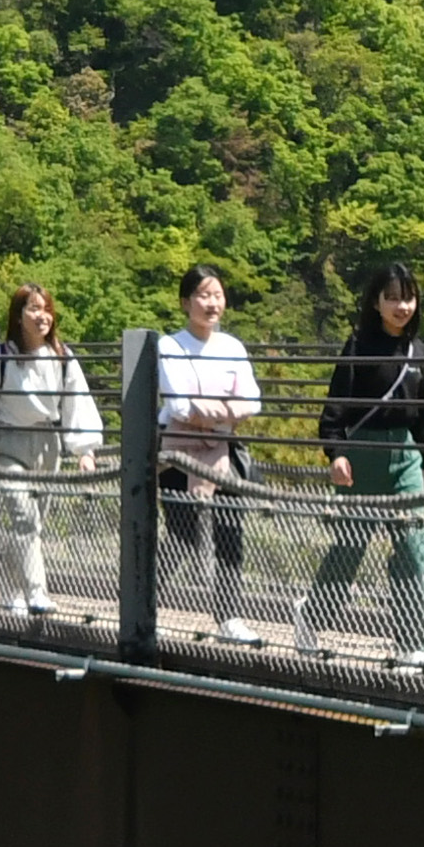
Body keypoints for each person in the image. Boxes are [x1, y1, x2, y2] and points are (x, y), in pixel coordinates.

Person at [298, 263, 424, 667]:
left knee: (415, 546)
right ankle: (312, 617)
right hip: (362, 455)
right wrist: (336, 451)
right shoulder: (359, 345)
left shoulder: (418, 351)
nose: (401, 306)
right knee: (350, 548)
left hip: (405, 457)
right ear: (375, 302)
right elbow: (336, 405)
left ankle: (414, 643)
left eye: (407, 297)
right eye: (391, 297)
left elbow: (423, 413)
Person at [0, 283, 99, 616]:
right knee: (23, 516)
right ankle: (37, 592)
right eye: (33, 309)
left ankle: (10, 590)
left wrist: (85, 449)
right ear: (18, 315)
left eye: (46, 309)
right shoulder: (2, 357)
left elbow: (77, 403)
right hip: (9, 444)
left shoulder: (63, 357)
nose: (42, 316)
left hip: (48, 446)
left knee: (33, 525)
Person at [154, 263, 269, 644]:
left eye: (217, 295)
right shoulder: (170, 345)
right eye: (203, 295)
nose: (211, 303)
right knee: (183, 534)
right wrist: (225, 409)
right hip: (179, 451)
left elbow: (253, 400)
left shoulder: (232, 346)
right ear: (186, 302)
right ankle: (143, 600)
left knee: (230, 532)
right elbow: (178, 405)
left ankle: (229, 617)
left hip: (225, 451)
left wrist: (209, 410)